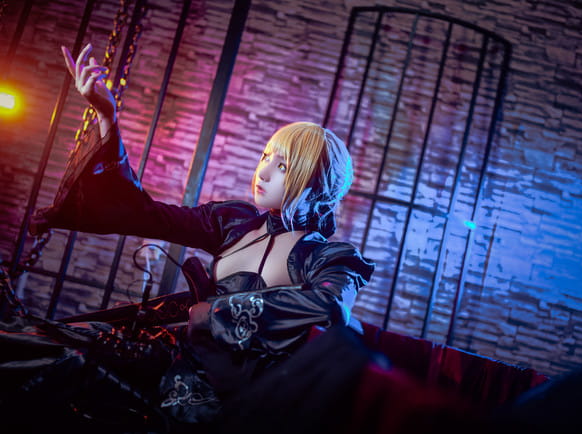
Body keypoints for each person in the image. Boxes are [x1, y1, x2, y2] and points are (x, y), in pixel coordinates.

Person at [1, 43, 375, 432]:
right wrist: (107, 115)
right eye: (266, 156)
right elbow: (146, 216)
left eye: (282, 166)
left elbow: (329, 308)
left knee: (70, 367)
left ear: (317, 184)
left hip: (215, 396)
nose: (263, 172)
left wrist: (214, 313)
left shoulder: (332, 258)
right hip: (164, 353)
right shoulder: (234, 222)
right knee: (45, 347)